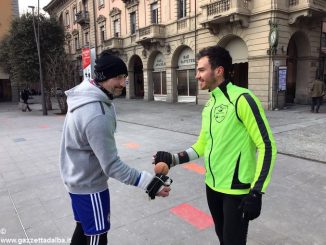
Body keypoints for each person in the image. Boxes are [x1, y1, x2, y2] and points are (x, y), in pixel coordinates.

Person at [153, 45, 277, 245]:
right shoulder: (210, 105)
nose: (197, 76)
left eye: (201, 70)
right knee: (222, 239)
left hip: (236, 191)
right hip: (212, 186)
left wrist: (257, 191)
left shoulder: (242, 99)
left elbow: (267, 145)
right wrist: (173, 159)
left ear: (218, 71)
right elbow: (202, 145)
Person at [60, 51, 172, 245]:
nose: (122, 83)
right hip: (90, 188)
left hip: (78, 182)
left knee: (82, 231)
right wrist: (150, 183)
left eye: (124, 77)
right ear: (102, 78)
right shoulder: (96, 113)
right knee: (97, 237)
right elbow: (112, 166)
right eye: (118, 77)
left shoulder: (87, 96)